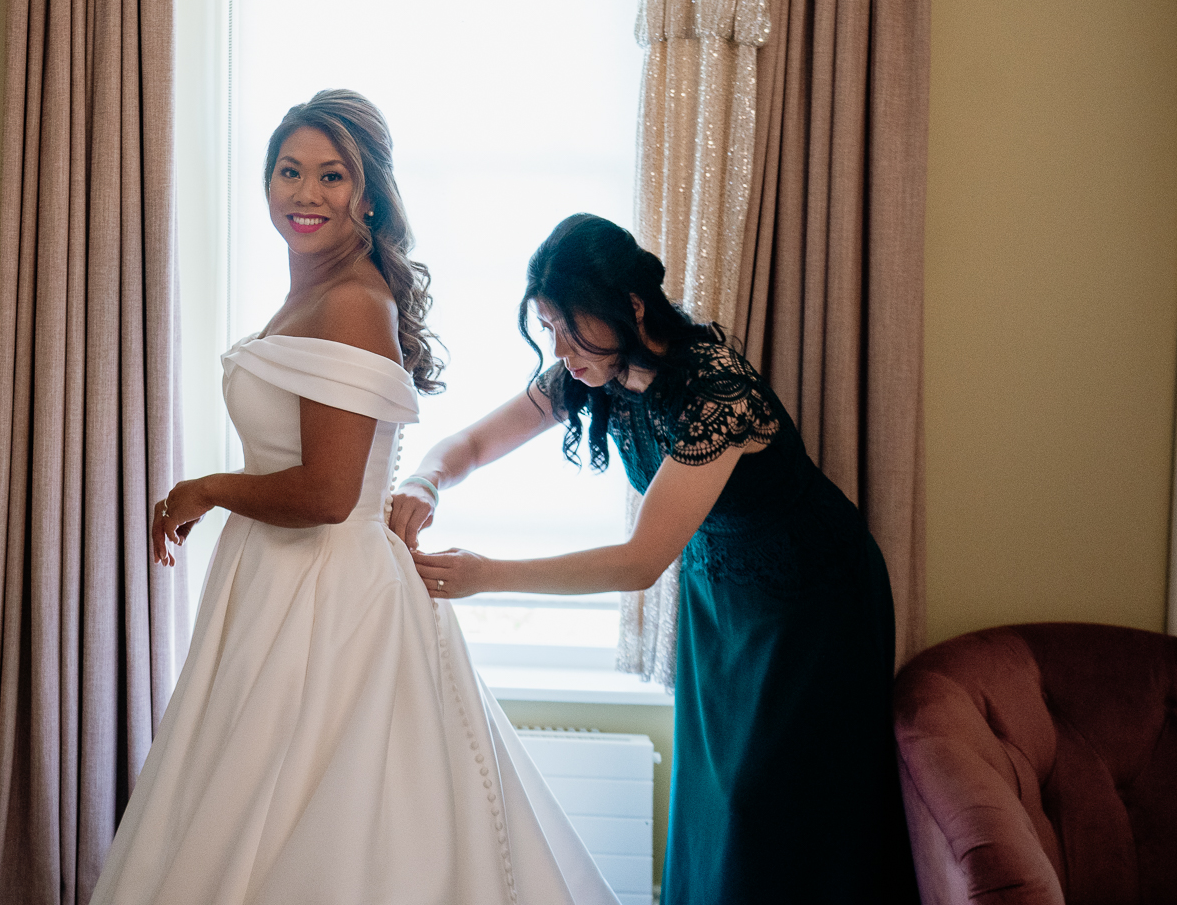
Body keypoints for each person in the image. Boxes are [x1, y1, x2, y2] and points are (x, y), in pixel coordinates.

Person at [91, 92, 617, 905]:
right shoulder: (318, 290)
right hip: (280, 580)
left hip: (329, 596)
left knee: (317, 827)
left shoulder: (349, 300)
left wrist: (204, 488)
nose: (306, 193)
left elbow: (331, 493)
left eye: (331, 176)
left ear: (366, 192)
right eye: (289, 172)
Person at [392, 213, 912, 905]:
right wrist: (424, 481)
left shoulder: (715, 391)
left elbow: (639, 561)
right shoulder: (592, 371)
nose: (562, 347)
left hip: (812, 600)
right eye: (549, 328)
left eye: (571, 325)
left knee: (775, 806)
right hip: (721, 596)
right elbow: (474, 444)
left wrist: (491, 577)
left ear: (630, 307)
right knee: (717, 801)